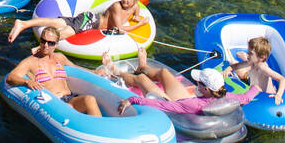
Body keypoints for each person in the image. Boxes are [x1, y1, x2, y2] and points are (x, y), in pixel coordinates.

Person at [100, 48, 260, 117]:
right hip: (187, 99)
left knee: (141, 80)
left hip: (177, 102)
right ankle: (143, 66)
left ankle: (115, 71)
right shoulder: (228, 96)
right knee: (163, 73)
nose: (196, 83)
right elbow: (246, 97)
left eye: (198, 82)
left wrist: (132, 100)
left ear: (205, 88)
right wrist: (258, 88)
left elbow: (160, 105)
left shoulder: (192, 105)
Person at [8, 0, 145, 44]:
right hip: (92, 21)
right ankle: (42, 46)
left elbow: (137, 9)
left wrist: (138, 16)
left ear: (136, 0)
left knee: (57, 22)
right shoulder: (117, 6)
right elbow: (119, 29)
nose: (125, 0)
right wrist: (140, 24)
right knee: (66, 32)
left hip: (88, 19)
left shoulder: (134, 6)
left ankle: (23, 24)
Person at [6, 29, 101, 117]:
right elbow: (11, 77)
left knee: (89, 99)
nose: (46, 45)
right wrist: (27, 82)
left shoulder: (60, 57)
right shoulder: (30, 62)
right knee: (68, 109)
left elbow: (75, 68)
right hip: (53, 103)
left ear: (56, 44)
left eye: (50, 43)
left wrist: (94, 72)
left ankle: (100, 132)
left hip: (69, 98)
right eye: (43, 41)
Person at [224, 37, 285, 104]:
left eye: (250, 53)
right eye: (248, 52)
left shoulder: (262, 67)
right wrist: (227, 70)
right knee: (239, 70)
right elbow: (235, 66)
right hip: (254, 88)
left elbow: (283, 79)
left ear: (261, 57)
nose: (248, 55)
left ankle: (241, 57)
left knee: (241, 70)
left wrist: (278, 95)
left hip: (265, 95)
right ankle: (234, 59)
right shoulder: (251, 61)